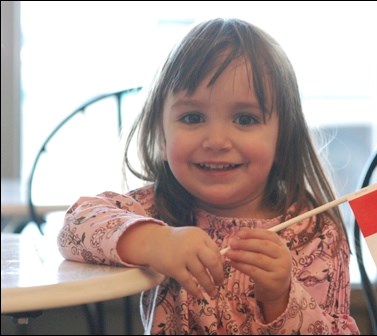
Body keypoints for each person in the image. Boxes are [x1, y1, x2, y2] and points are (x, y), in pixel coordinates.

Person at [58, 17, 360, 335]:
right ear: (161, 136)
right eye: (192, 117)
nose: (216, 140)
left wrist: (282, 297)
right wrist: (155, 241)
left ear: (283, 140)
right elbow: (75, 226)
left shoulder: (315, 232)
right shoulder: (157, 209)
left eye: (245, 118)